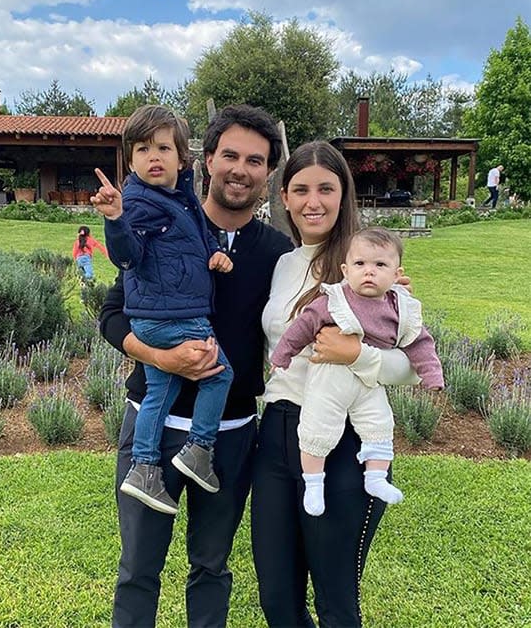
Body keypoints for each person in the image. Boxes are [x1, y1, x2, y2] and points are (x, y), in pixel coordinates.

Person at [96, 104, 294, 627]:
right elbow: (112, 315)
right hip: (153, 426)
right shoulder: (162, 221)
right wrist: (161, 357)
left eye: (255, 160)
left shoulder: (279, 252)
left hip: (229, 435)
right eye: (229, 154)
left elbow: (328, 296)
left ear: (268, 172)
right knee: (139, 567)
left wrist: (385, 292)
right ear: (205, 161)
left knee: (211, 565)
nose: (240, 169)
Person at [254, 140, 419, 627]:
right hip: (279, 433)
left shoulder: (370, 266)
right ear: (284, 197)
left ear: (343, 194)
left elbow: (409, 365)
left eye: (326, 189)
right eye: (301, 189)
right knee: (277, 599)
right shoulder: (284, 263)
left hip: (345, 441)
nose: (314, 201)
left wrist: (359, 354)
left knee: (335, 599)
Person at [96, 104, 235, 516]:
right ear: (130, 159)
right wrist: (116, 218)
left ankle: (144, 468)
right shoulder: (137, 202)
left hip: (155, 316)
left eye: (162, 148)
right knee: (219, 374)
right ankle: (200, 449)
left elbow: (197, 236)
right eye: (141, 149)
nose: (152, 157)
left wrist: (215, 255)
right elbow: (127, 256)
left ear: (181, 157)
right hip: (174, 316)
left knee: (161, 390)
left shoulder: (182, 197)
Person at [271, 226, 444, 516]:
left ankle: (375, 477)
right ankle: (313, 483)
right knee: (318, 428)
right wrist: (282, 355)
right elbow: (302, 327)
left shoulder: (400, 306)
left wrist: (432, 375)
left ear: (396, 272)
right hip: (330, 378)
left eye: (380, 265)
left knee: (379, 424)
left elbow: (419, 342)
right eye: (360, 264)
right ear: (346, 269)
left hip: (369, 383)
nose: (369, 272)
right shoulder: (335, 299)